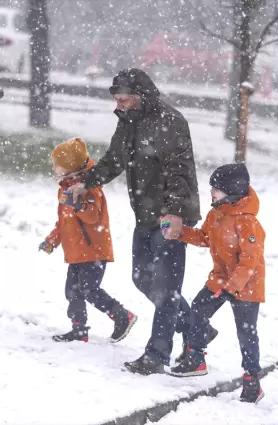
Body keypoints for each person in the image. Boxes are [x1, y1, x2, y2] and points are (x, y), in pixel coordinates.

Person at [67, 68, 212, 375]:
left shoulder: (170, 122)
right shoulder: (129, 121)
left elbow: (179, 170)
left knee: (167, 287)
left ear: (140, 97)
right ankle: (195, 327)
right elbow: (115, 160)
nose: (117, 105)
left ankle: (157, 355)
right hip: (145, 213)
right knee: (142, 278)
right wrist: (87, 183)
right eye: (116, 99)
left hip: (169, 216)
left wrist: (174, 213)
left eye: (123, 99)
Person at [166, 163, 266, 404]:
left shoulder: (248, 223)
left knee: (246, 332)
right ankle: (195, 357)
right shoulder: (217, 214)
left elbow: (250, 261)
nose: (211, 191)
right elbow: (204, 238)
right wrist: (180, 232)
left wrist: (233, 288)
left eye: (217, 189)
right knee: (199, 308)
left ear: (232, 191)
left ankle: (252, 380)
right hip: (221, 279)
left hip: (246, 285)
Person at [40, 137, 137, 343]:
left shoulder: (90, 189)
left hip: (93, 250)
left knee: (89, 290)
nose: (54, 167)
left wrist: (78, 206)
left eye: (58, 164)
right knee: (72, 291)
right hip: (76, 251)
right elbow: (64, 223)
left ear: (70, 167)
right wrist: (52, 240)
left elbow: (93, 217)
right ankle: (79, 329)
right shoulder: (65, 189)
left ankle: (122, 315)